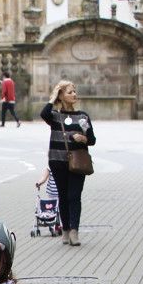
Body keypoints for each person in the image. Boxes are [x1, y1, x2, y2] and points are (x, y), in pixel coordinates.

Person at [40, 80, 96, 247]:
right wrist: (52, 97)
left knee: (74, 196)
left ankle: (74, 231)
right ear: (61, 96)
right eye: (70, 92)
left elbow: (92, 140)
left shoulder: (82, 117)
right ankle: (65, 229)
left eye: (74, 91)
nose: (74, 94)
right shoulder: (55, 116)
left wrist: (83, 138)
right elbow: (43, 113)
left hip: (78, 163)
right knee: (63, 197)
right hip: (57, 162)